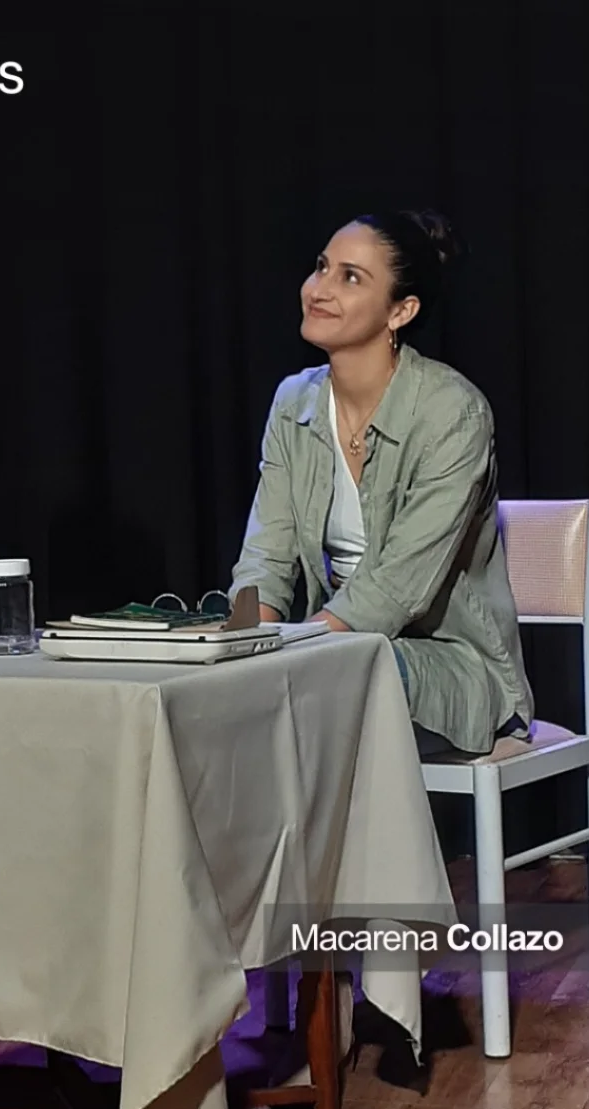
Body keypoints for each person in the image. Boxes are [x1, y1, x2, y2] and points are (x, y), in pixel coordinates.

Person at [231, 209, 533, 756]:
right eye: (321, 267)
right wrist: (239, 646)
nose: (320, 288)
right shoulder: (294, 402)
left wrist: (290, 656)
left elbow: (396, 590)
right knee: (222, 702)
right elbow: (266, 559)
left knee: (313, 699)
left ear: (401, 310)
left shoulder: (451, 411)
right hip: (331, 657)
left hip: (450, 668)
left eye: (350, 277)